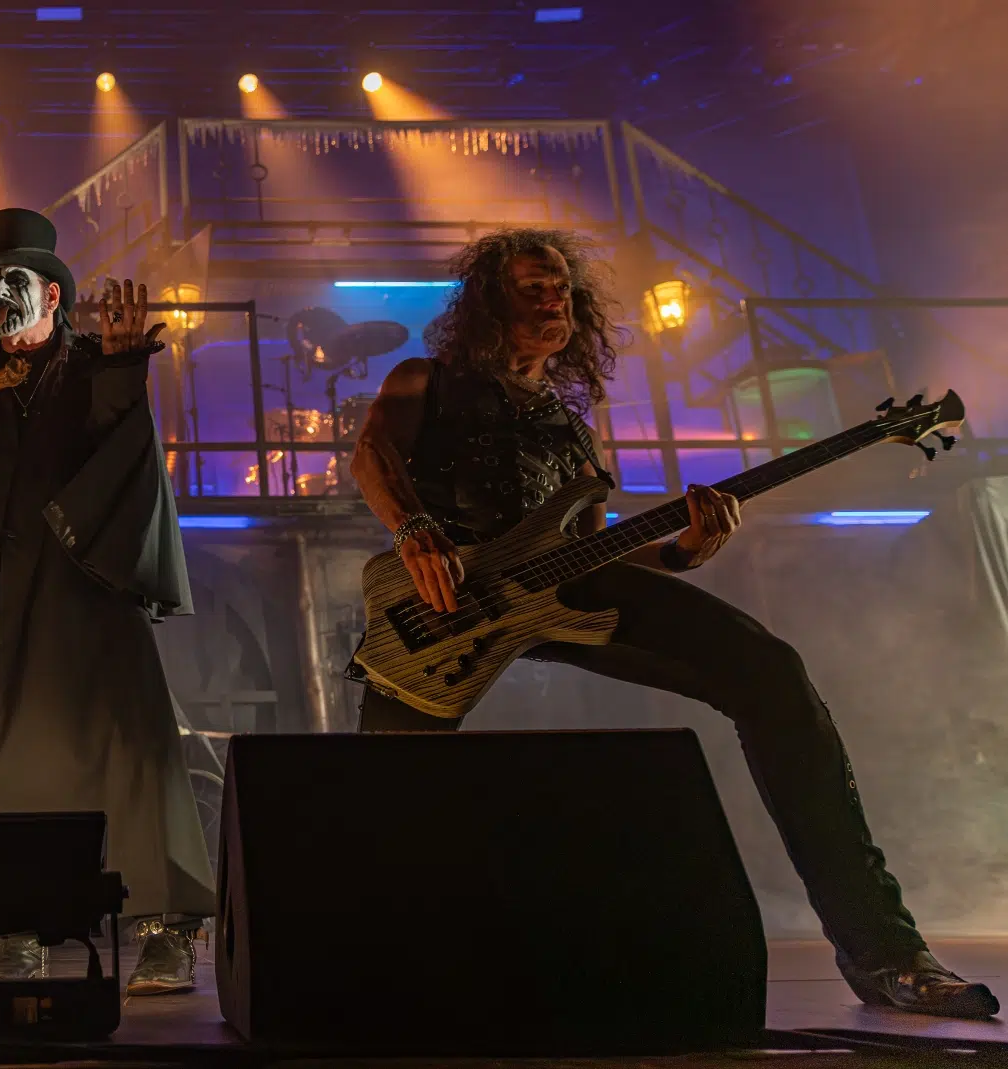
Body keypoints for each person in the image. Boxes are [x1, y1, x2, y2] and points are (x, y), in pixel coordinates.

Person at [347, 227, 997, 1020]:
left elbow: (597, 547)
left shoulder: (569, 430)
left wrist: (684, 550)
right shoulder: (428, 380)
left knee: (771, 673)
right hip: (440, 610)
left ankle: (887, 951)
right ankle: (364, 967)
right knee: (386, 791)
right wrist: (415, 529)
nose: (553, 298)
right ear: (488, 301)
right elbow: (371, 451)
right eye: (531, 286)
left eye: (561, 287)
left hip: (565, 593)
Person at [0, 208, 214, 995]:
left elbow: (123, 454)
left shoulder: (92, 364)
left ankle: (163, 926)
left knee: (125, 748)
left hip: (78, 583)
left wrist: (123, 370)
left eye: (10, 281)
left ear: (53, 294)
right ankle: (10, 922)